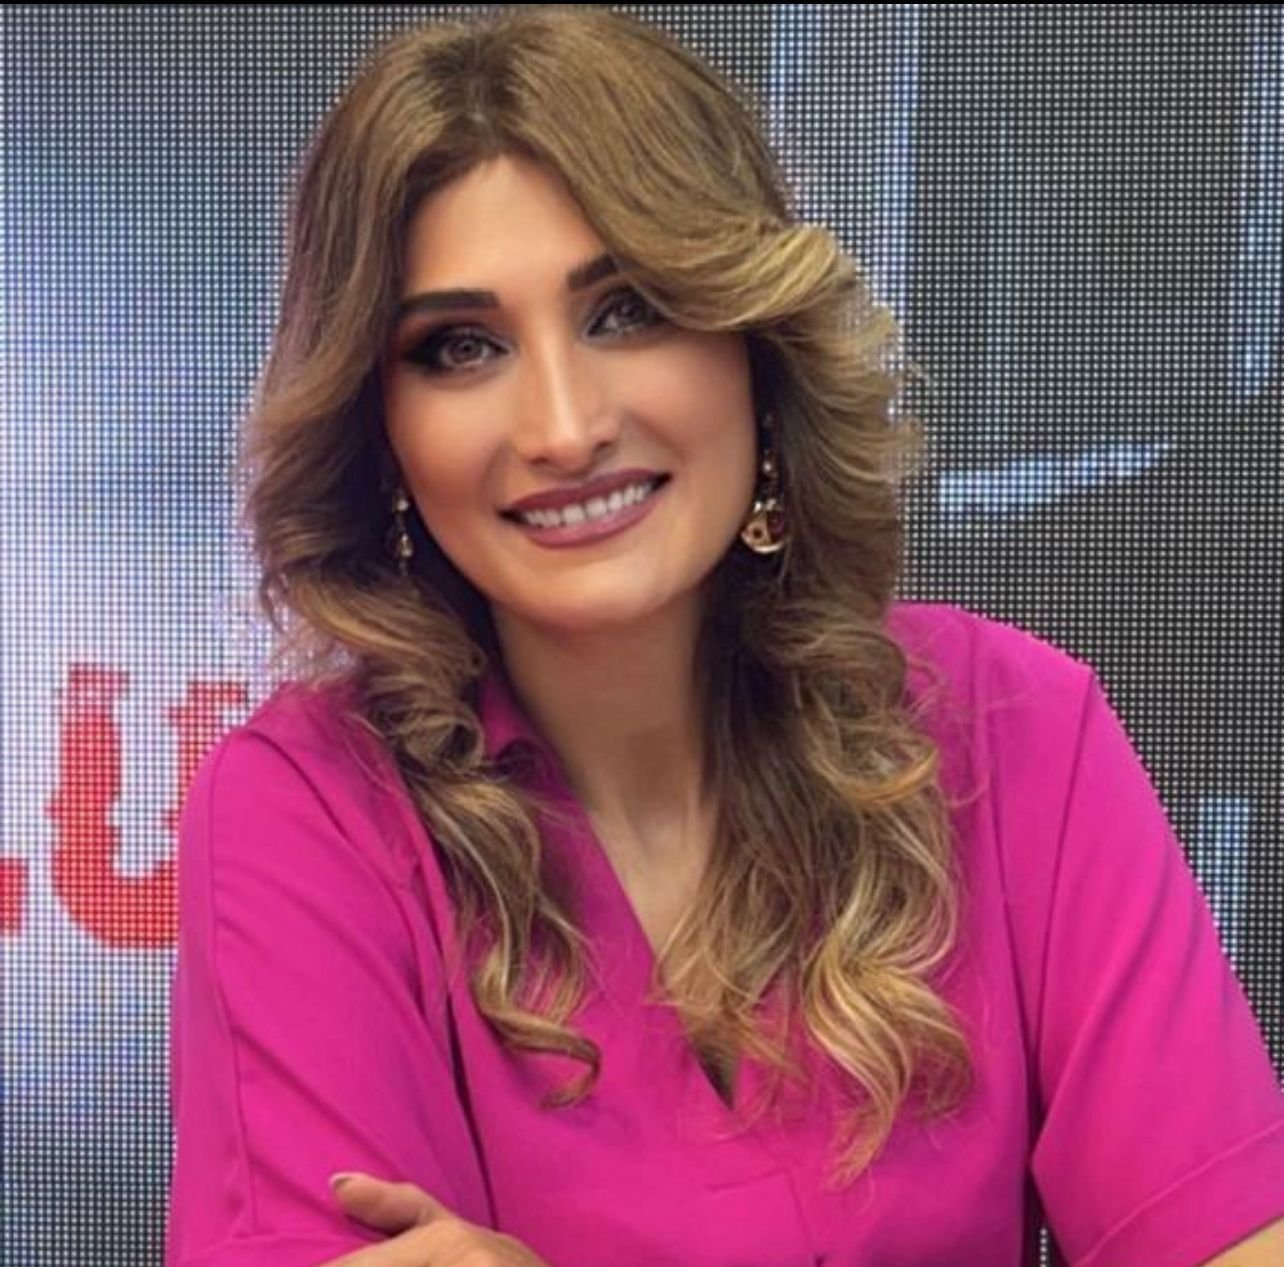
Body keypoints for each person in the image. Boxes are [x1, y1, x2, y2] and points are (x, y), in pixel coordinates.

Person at [165, 6, 1284, 1266]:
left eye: (628, 310)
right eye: (461, 347)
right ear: (381, 434)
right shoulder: (303, 815)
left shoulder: (1015, 732)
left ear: (754, 344)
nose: (564, 426)